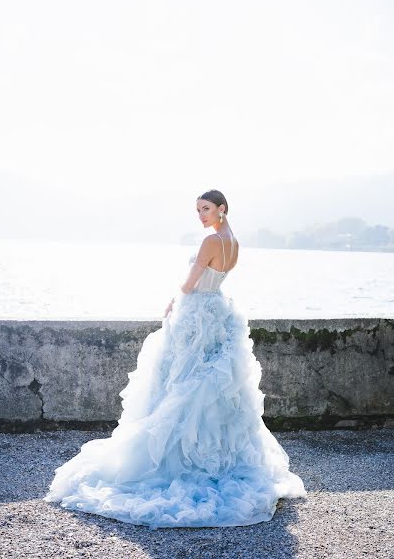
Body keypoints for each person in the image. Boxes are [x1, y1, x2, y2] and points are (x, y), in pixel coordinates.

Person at [43, 189, 307, 529]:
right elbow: (217, 279)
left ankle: (175, 458)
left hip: (196, 314)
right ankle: (216, 457)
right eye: (198, 209)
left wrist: (172, 301)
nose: (201, 214)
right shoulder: (234, 243)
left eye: (206, 209)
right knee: (211, 386)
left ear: (222, 209)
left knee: (180, 384)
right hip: (218, 312)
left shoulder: (211, 241)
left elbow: (191, 283)